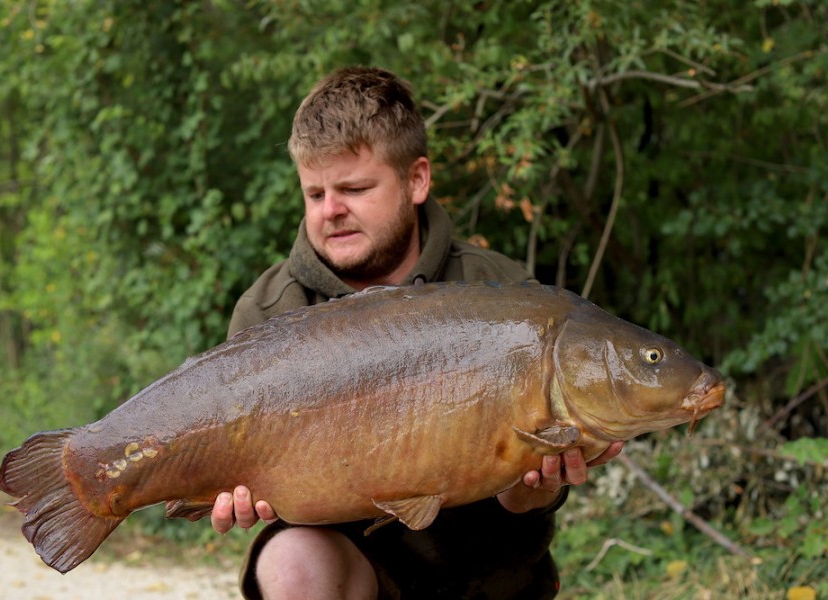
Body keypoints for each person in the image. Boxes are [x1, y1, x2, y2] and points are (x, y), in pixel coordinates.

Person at [211, 66, 623, 599]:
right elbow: (244, 478)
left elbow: (527, 507)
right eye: (315, 195)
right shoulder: (272, 310)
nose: (331, 211)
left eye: (355, 189)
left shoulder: (502, 293)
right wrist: (236, 490)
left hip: (484, 577)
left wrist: (531, 493)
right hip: (352, 571)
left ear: (417, 180)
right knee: (292, 563)